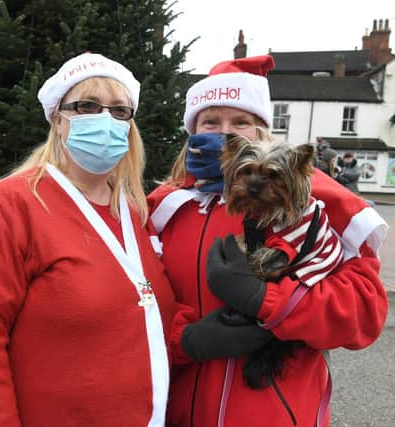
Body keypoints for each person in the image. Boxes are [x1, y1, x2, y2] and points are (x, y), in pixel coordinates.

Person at [148, 55, 388, 427]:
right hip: (178, 414)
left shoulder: (315, 203)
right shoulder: (162, 210)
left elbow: (365, 314)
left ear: (261, 130)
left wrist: (271, 301)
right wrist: (184, 341)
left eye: (241, 121)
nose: (225, 132)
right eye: (211, 120)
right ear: (192, 129)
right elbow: (129, 316)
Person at [0, 52, 178, 426]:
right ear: (57, 117)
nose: (105, 119)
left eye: (119, 111)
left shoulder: (135, 210)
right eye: (87, 106)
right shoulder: (13, 204)